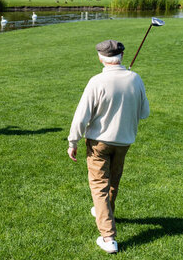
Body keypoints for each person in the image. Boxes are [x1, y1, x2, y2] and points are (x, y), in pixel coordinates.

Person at [67, 39, 149, 254]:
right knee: (112, 181)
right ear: (121, 56)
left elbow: (81, 116)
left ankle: (108, 237)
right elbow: (144, 113)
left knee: (99, 186)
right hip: (124, 142)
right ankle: (104, 211)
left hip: (99, 143)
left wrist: (72, 141)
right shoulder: (135, 79)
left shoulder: (97, 81)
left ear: (101, 57)